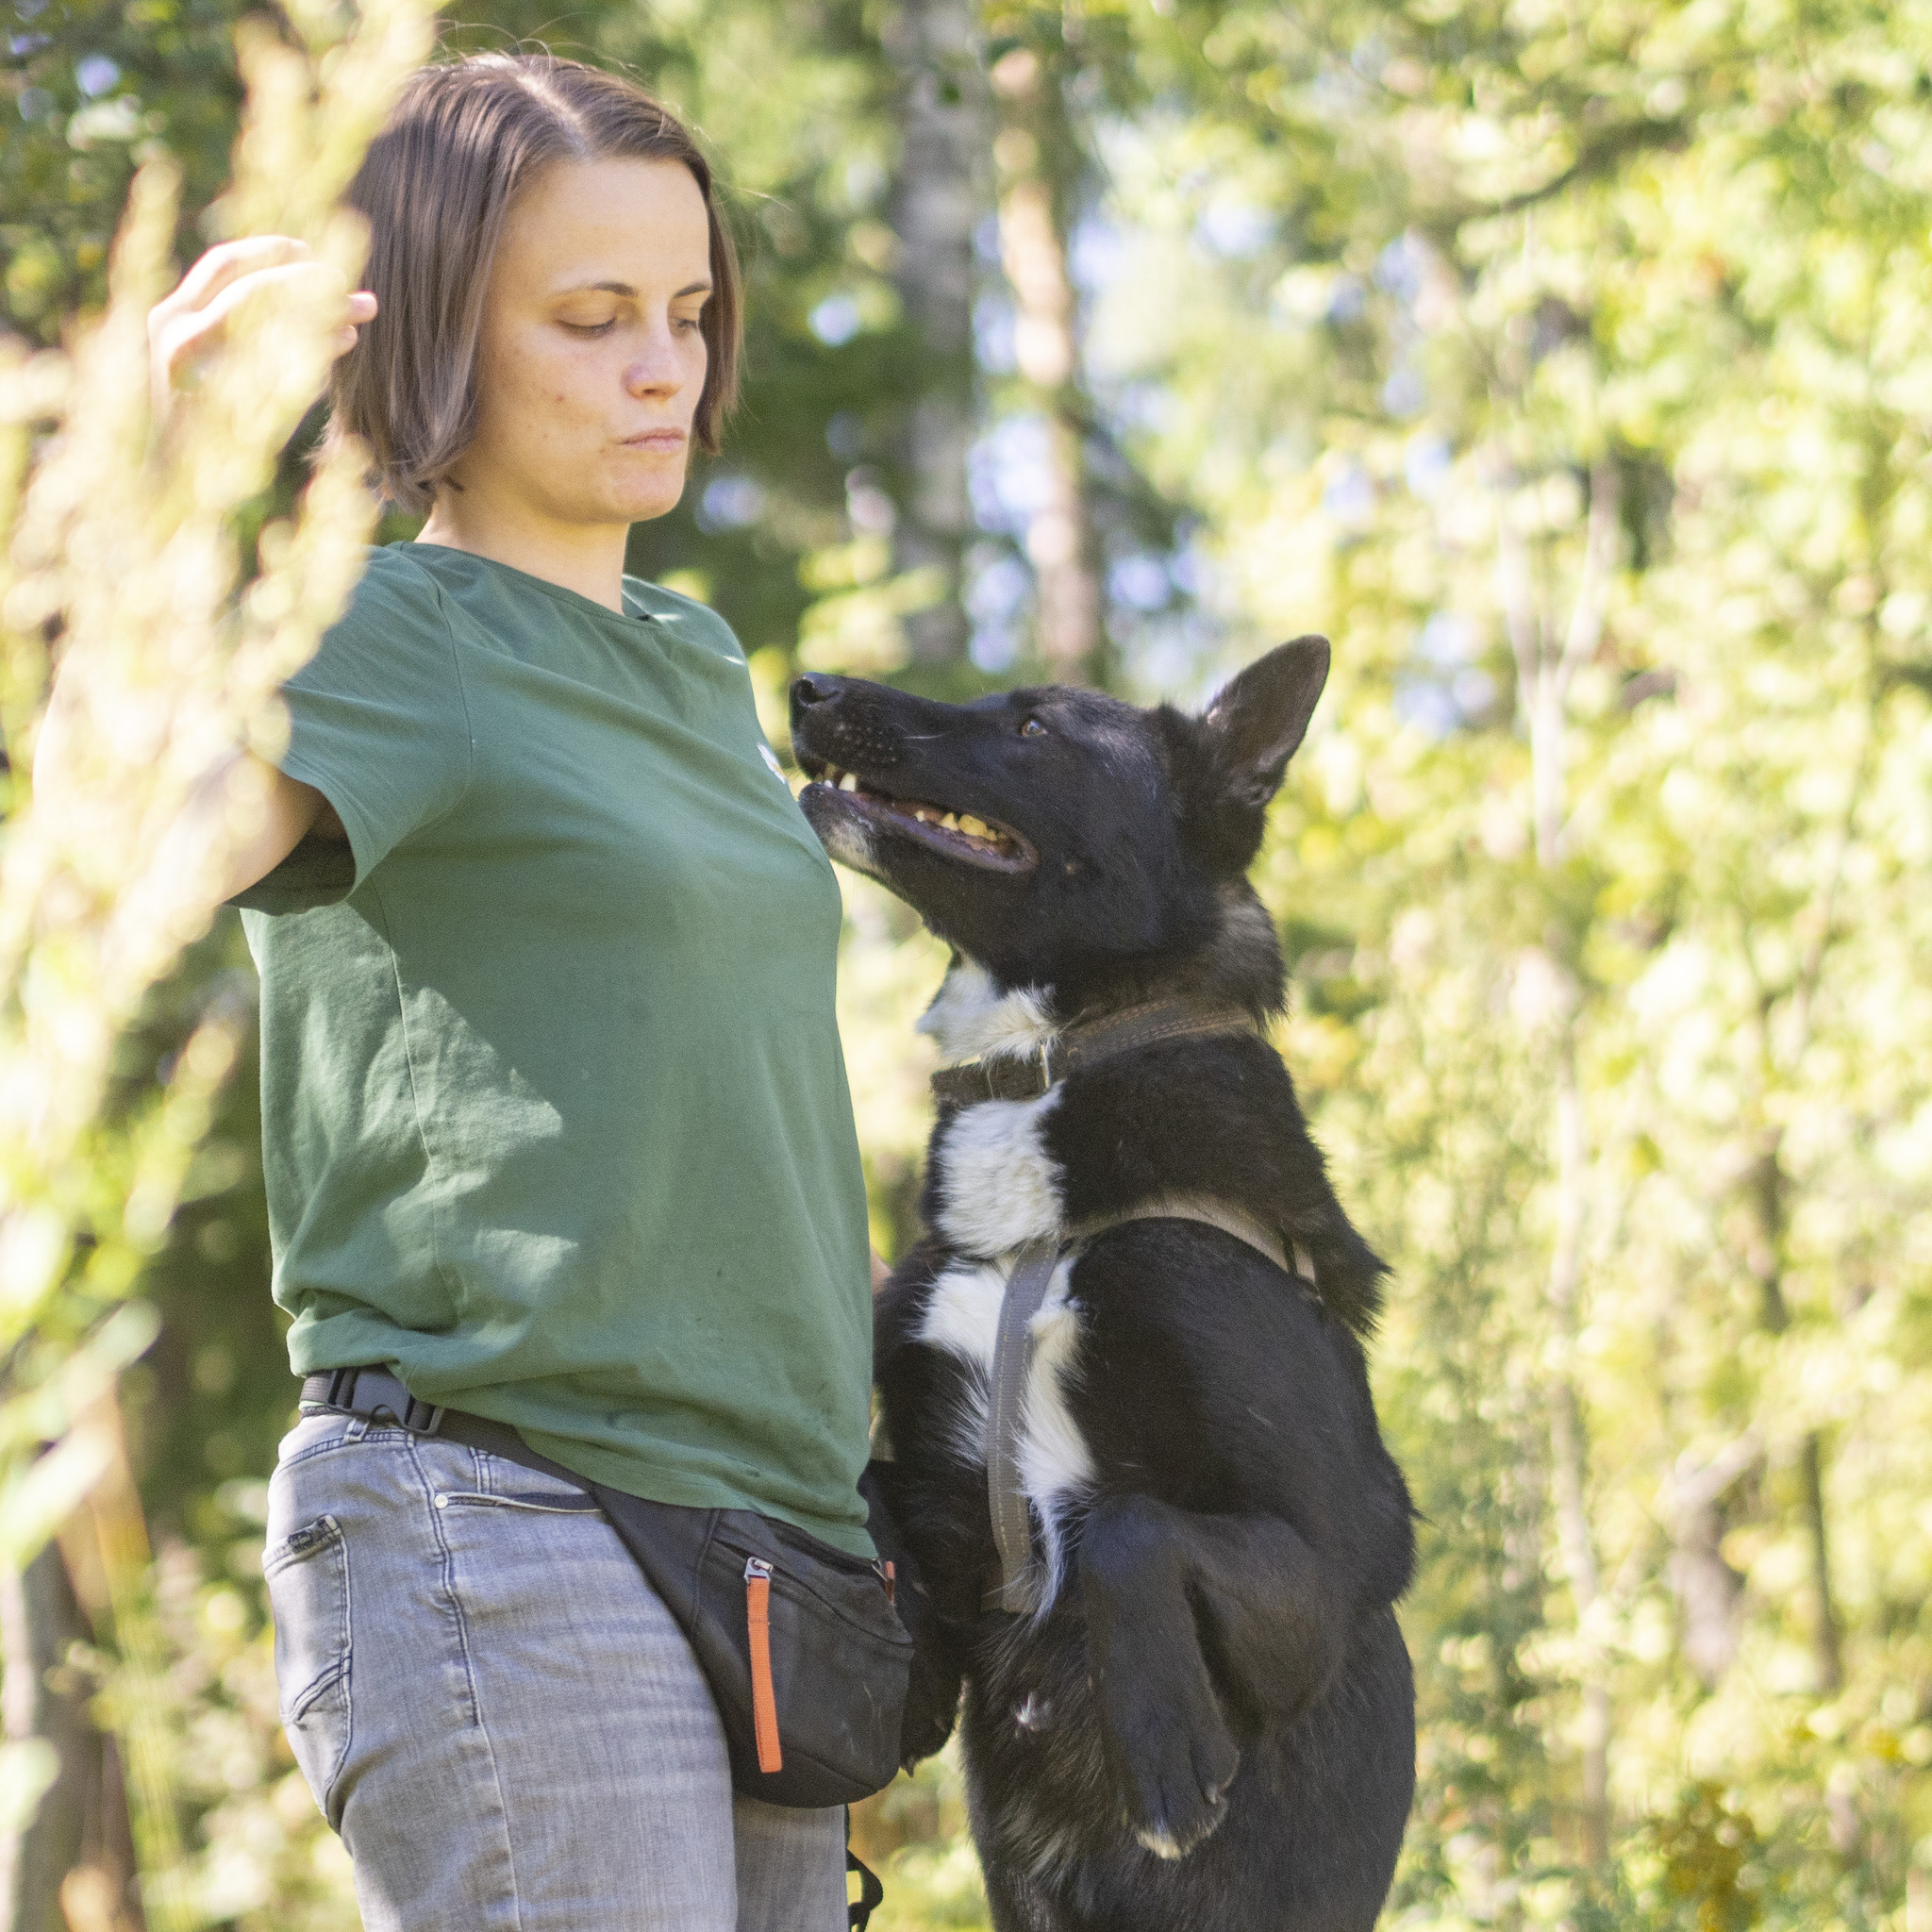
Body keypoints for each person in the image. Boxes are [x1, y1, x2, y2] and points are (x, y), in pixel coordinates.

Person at [42, 53, 878, 1932]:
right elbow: (133, 854)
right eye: (589, 320)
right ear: (428, 339)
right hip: (506, 1525)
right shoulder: (385, 630)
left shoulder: (686, 656)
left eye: (686, 312)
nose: (660, 365)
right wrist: (171, 496)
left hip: (771, 1565)